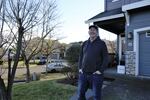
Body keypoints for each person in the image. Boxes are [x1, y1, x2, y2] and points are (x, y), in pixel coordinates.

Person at [77, 25, 109, 100]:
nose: (92, 31)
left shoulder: (101, 43)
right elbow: (81, 56)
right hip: (83, 74)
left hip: (96, 75)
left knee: (96, 95)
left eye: (94, 30)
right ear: (88, 32)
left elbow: (106, 58)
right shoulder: (84, 43)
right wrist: (80, 68)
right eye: (90, 30)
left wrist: (100, 70)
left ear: (97, 33)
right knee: (80, 94)